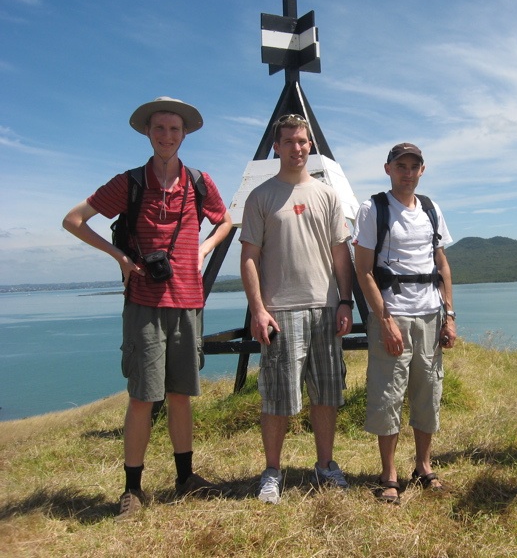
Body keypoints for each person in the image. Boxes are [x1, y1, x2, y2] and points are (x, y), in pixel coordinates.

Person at [62, 96, 234, 519]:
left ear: (185, 134)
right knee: (142, 397)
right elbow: (73, 219)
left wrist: (204, 249)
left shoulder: (199, 182)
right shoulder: (130, 182)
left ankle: (185, 478)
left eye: (175, 129)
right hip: (144, 300)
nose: (167, 136)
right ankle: (132, 490)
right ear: (147, 132)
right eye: (160, 128)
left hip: (188, 299)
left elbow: (225, 220)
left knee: (180, 395)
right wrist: (120, 257)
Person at [239, 114, 354, 505]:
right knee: (277, 396)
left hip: (324, 307)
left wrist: (344, 301)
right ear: (277, 146)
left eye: (302, 141)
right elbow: (249, 257)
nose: (296, 148)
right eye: (288, 141)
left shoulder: (327, 195)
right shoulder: (261, 197)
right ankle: (272, 471)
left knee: (326, 392)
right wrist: (257, 309)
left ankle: (325, 464)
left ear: (310, 145)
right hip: (280, 312)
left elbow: (342, 255)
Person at [353, 142, 457, 504]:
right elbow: (363, 270)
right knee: (388, 393)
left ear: (422, 170)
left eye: (414, 166)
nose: (408, 172)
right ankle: (389, 473)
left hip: (430, 314)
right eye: (401, 166)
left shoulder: (430, 208)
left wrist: (450, 315)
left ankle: (424, 466)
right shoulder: (373, 209)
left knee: (428, 391)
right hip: (392, 314)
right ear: (388, 168)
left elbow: (441, 264)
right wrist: (385, 320)